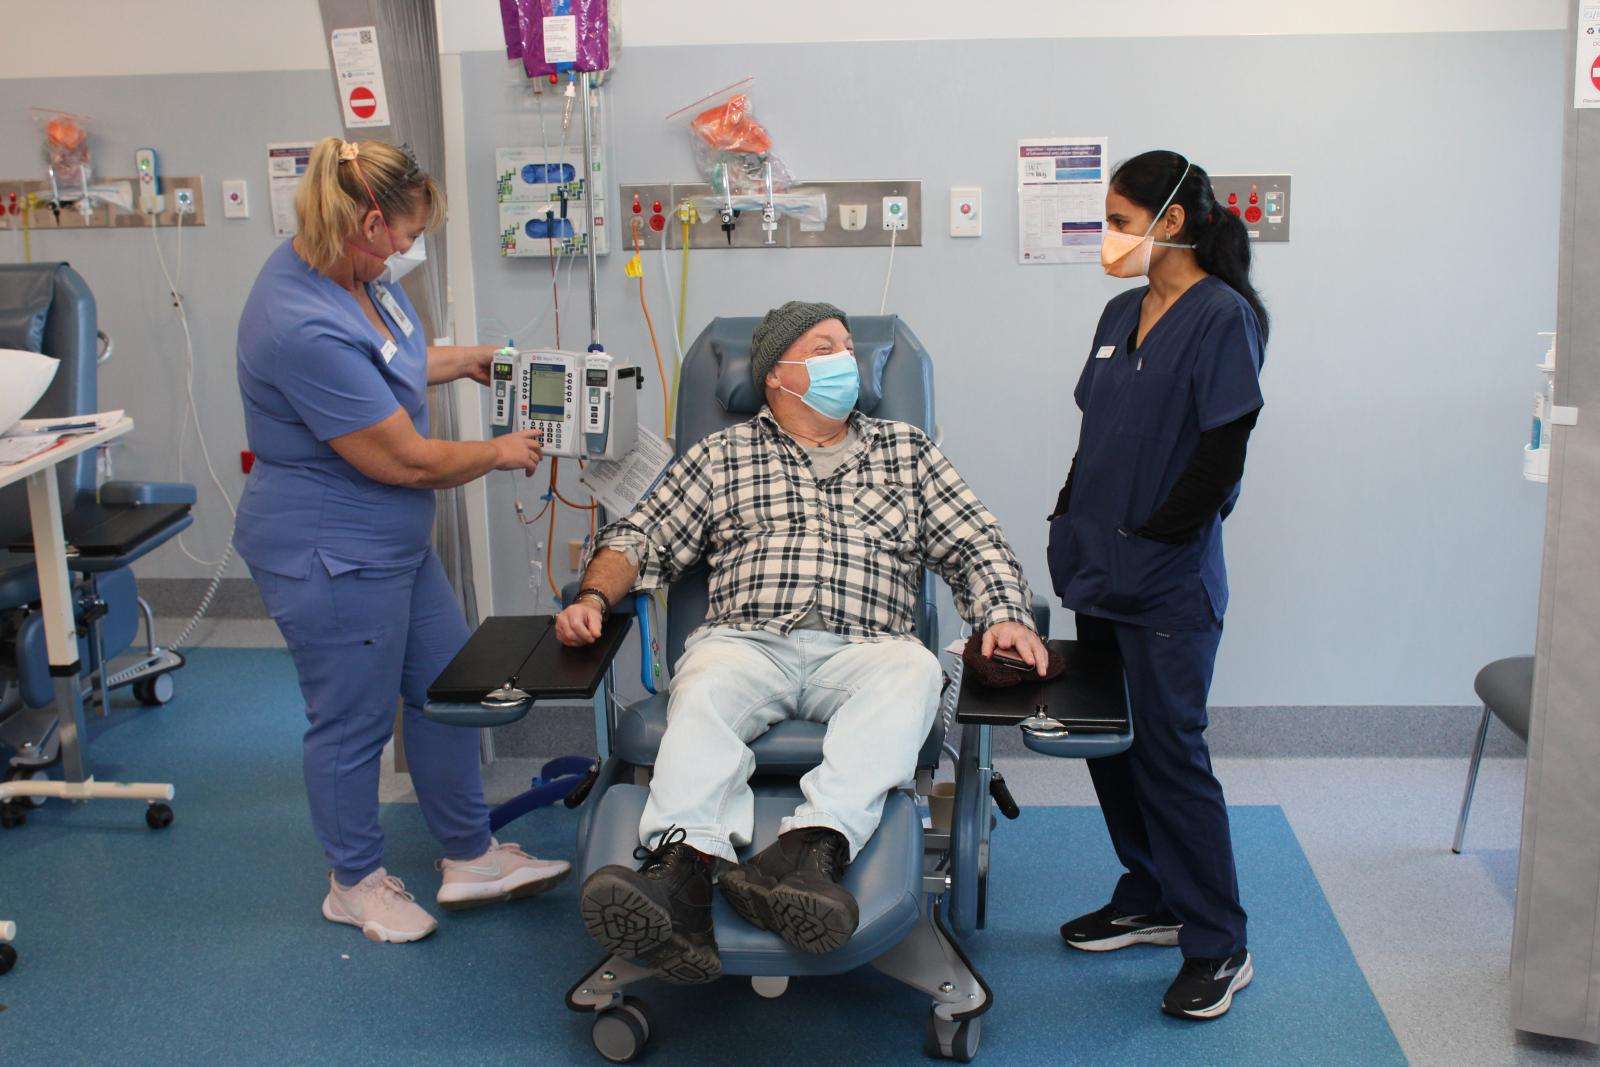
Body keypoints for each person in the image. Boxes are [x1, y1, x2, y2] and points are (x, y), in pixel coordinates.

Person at [555, 301, 1047, 983]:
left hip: (867, 646)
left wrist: (1003, 614)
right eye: (826, 348)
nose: (850, 363)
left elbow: (976, 543)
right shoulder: (722, 455)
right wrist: (592, 595)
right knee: (702, 690)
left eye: (849, 347)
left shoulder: (906, 450)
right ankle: (683, 876)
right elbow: (639, 536)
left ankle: (809, 855)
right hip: (747, 639)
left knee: (914, 670)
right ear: (776, 377)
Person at [235, 137, 568, 943]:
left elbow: (392, 361)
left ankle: (469, 852)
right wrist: (499, 452)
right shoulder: (297, 319)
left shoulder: (362, 278)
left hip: (394, 546)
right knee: (352, 720)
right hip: (330, 549)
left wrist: (470, 360)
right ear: (369, 220)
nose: (410, 249)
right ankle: (353, 881)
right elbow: (405, 459)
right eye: (407, 233)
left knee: (446, 692)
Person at [1047, 150, 1267, 1019]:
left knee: (1172, 754)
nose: (1110, 236)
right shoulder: (1117, 311)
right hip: (1097, 564)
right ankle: (1150, 895)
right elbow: (1097, 428)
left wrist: (1163, 536)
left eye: (1120, 219)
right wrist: (1071, 507)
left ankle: (1219, 941)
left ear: (1170, 222)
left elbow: (1224, 448)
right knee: (1112, 742)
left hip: (1166, 577)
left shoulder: (1222, 316)